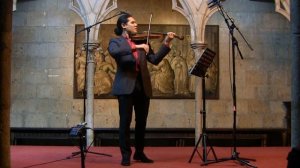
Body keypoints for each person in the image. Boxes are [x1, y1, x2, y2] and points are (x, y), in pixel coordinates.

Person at [108, 13, 175, 166]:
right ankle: (125, 155)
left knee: (141, 123)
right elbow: (115, 53)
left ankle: (139, 153)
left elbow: (155, 60)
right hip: (125, 87)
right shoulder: (116, 42)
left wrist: (167, 42)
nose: (136, 24)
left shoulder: (143, 42)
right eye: (133, 22)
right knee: (125, 122)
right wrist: (136, 46)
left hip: (143, 87)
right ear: (123, 25)